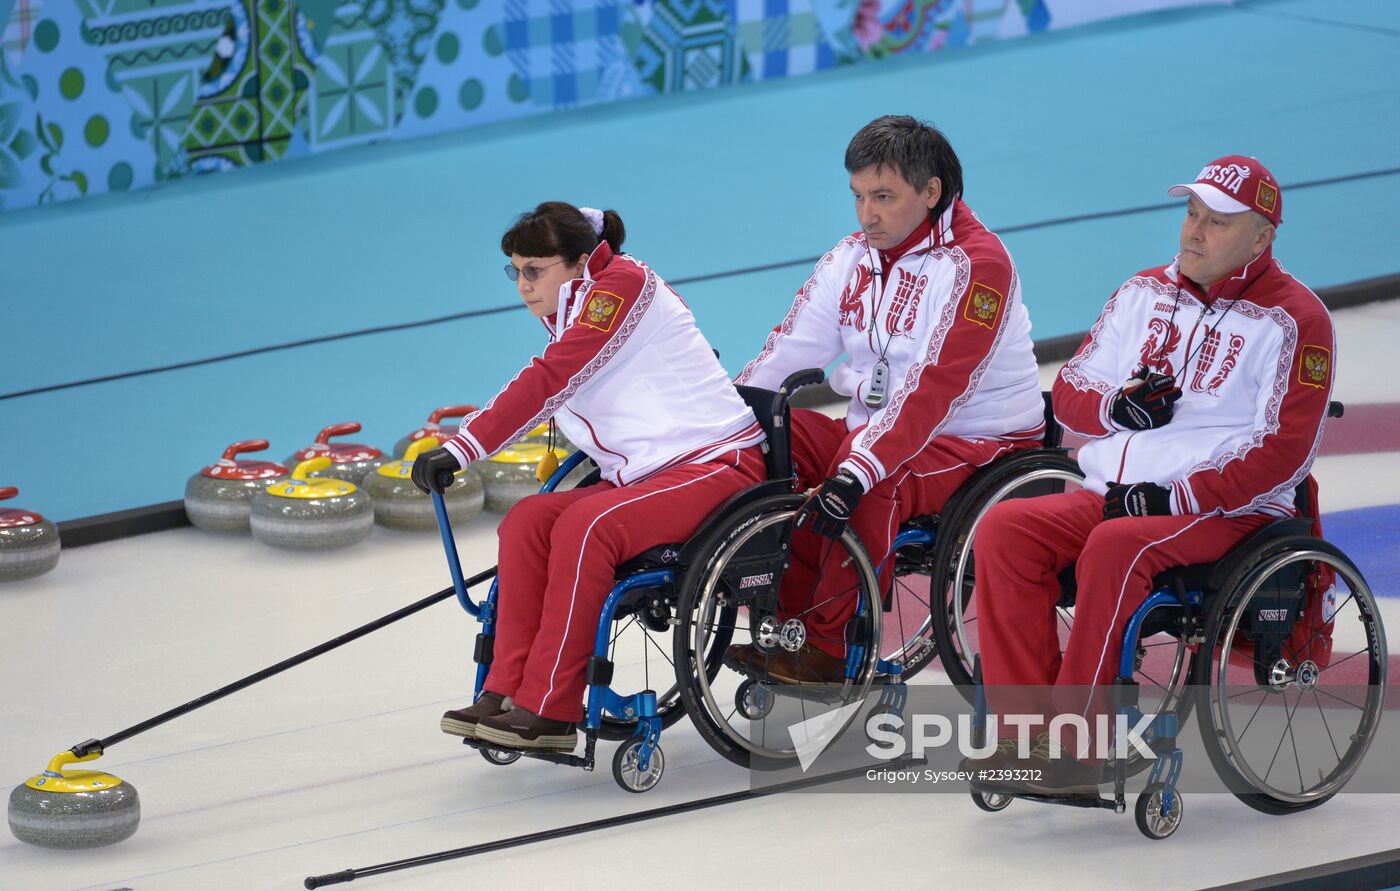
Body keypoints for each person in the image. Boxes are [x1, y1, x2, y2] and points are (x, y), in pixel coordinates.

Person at [972, 156, 1335, 792]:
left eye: (1216, 223)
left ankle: (1078, 741)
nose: (1193, 232)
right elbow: (1071, 391)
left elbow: (1284, 451)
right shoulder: (1143, 291)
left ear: (1262, 237)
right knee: (1005, 527)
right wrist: (1118, 406)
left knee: (1117, 545)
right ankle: (1022, 728)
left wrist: (1174, 493)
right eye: (1191, 214)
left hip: (1227, 512)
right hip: (1119, 494)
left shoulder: (1296, 321)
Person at [412, 202, 766, 751]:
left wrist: (463, 448)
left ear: (579, 263)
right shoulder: (578, 307)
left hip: (715, 463)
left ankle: (549, 708)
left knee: (587, 525)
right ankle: (505, 690)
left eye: (535, 270)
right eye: (516, 272)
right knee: (528, 521)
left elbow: (551, 378)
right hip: (649, 471)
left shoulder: (622, 285)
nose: (523, 286)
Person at [728, 115, 1045, 684]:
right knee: (770, 434)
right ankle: (784, 617)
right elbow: (790, 347)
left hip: (974, 439)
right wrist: (726, 419)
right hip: (876, 426)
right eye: (857, 197)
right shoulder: (853, 254)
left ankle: (828, 649)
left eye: (882, 197)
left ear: (931, 192)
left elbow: (934, 393)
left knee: (877, 480)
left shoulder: (979, 266)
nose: (865, 215)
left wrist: (857, 468)